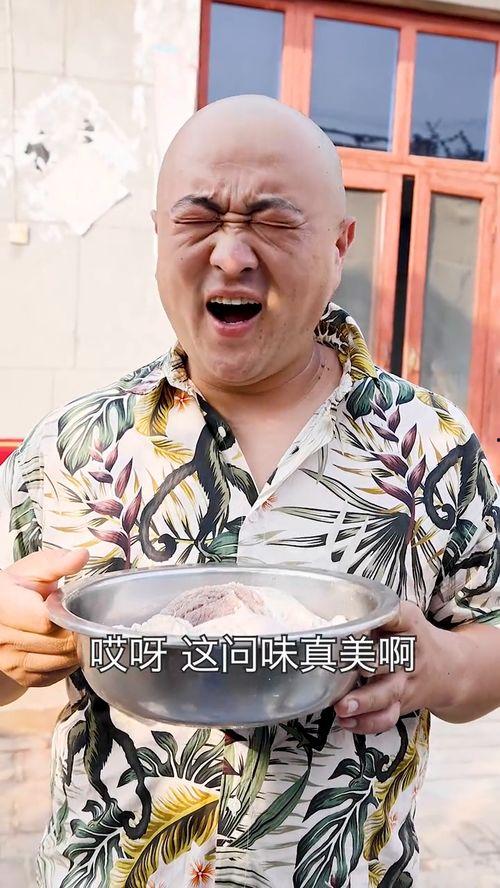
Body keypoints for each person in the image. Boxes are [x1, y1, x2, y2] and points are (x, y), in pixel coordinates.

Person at [0, 94, 499, 888]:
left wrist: (436, 665)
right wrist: (10, 648)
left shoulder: (432, 444)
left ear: (339, 244)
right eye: (198, 220)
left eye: (273, 221)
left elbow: (490, 639)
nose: (231, 255)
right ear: (159, 237)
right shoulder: (74, 444)